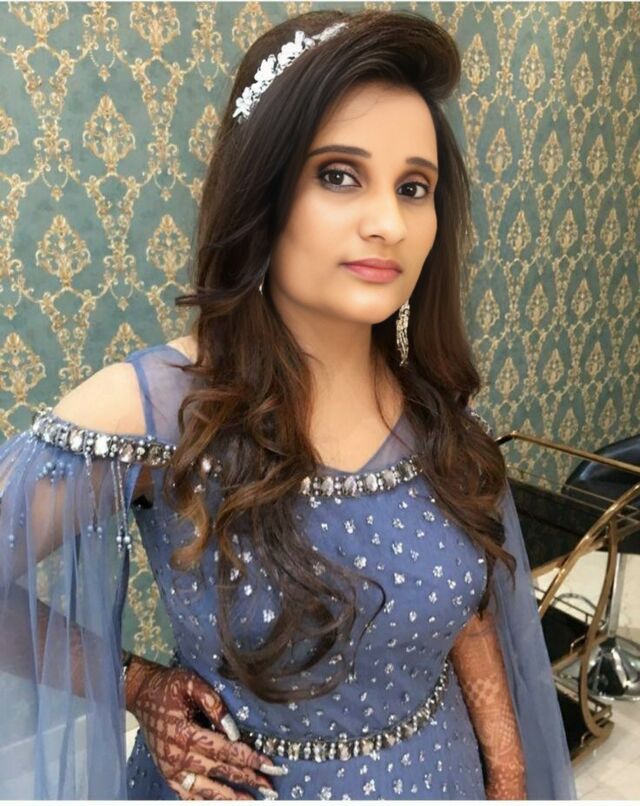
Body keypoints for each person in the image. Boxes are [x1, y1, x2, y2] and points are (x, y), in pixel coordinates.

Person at [0, 8, 577, 801]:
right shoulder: (159, 410)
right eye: (339, 175)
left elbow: (469, 610)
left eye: (414, 187)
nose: (389, 223)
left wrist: (508, 777)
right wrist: (136, 683)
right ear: (260, 189)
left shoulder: (434, 408)